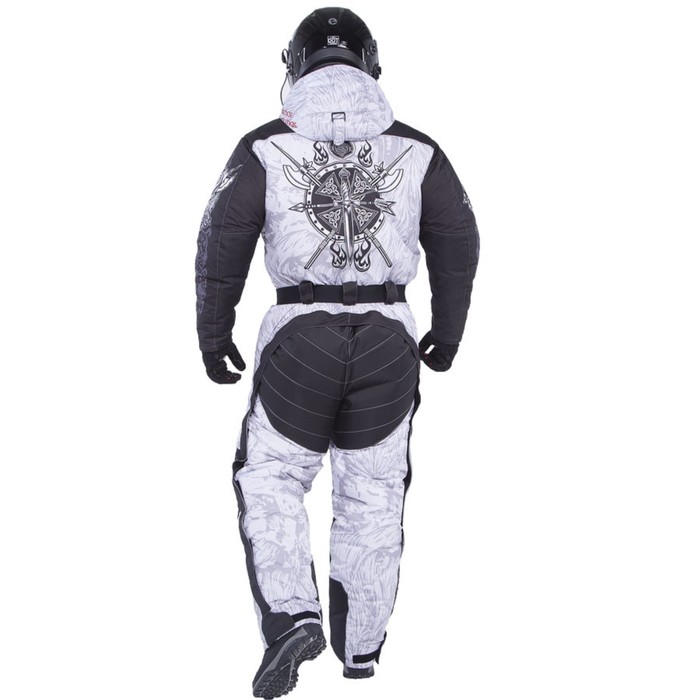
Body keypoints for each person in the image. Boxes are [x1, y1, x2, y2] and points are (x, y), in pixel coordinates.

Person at [194, 7, 479, 698]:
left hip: (300, 337)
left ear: (294, 67)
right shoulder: (418, 151)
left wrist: (213, 332)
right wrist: (448, 333)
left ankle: (293, 616)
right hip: (389, 339)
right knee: (373, 493)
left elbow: (222, 238)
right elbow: (459, 241)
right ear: (371, 63)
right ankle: (361, 650)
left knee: (271, 477)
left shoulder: (263, 147)